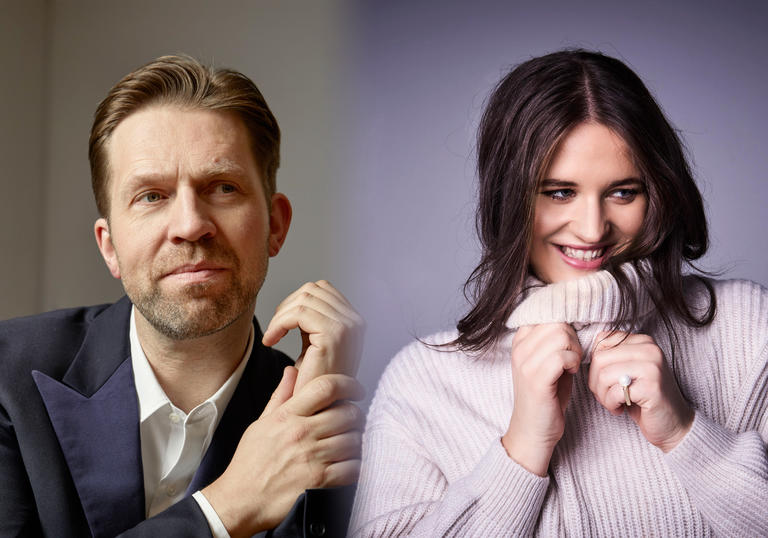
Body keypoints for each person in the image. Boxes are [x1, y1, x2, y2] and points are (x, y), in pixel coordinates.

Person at [349, 49, 768, 536]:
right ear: (509, 199)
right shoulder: (423, 384)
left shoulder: (748, 327)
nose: (592, 230)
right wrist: (522, 449)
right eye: (559, 192)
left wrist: (685, 434)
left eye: (623, 192)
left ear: (658, 192)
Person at [0, 55, 365, 537]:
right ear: (110, 247)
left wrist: (318, 418)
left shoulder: (351, 419)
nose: (191, 224)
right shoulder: (6, 378)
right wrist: (224, 508)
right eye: (152, 196)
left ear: (275, 225)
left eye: (223, 187)